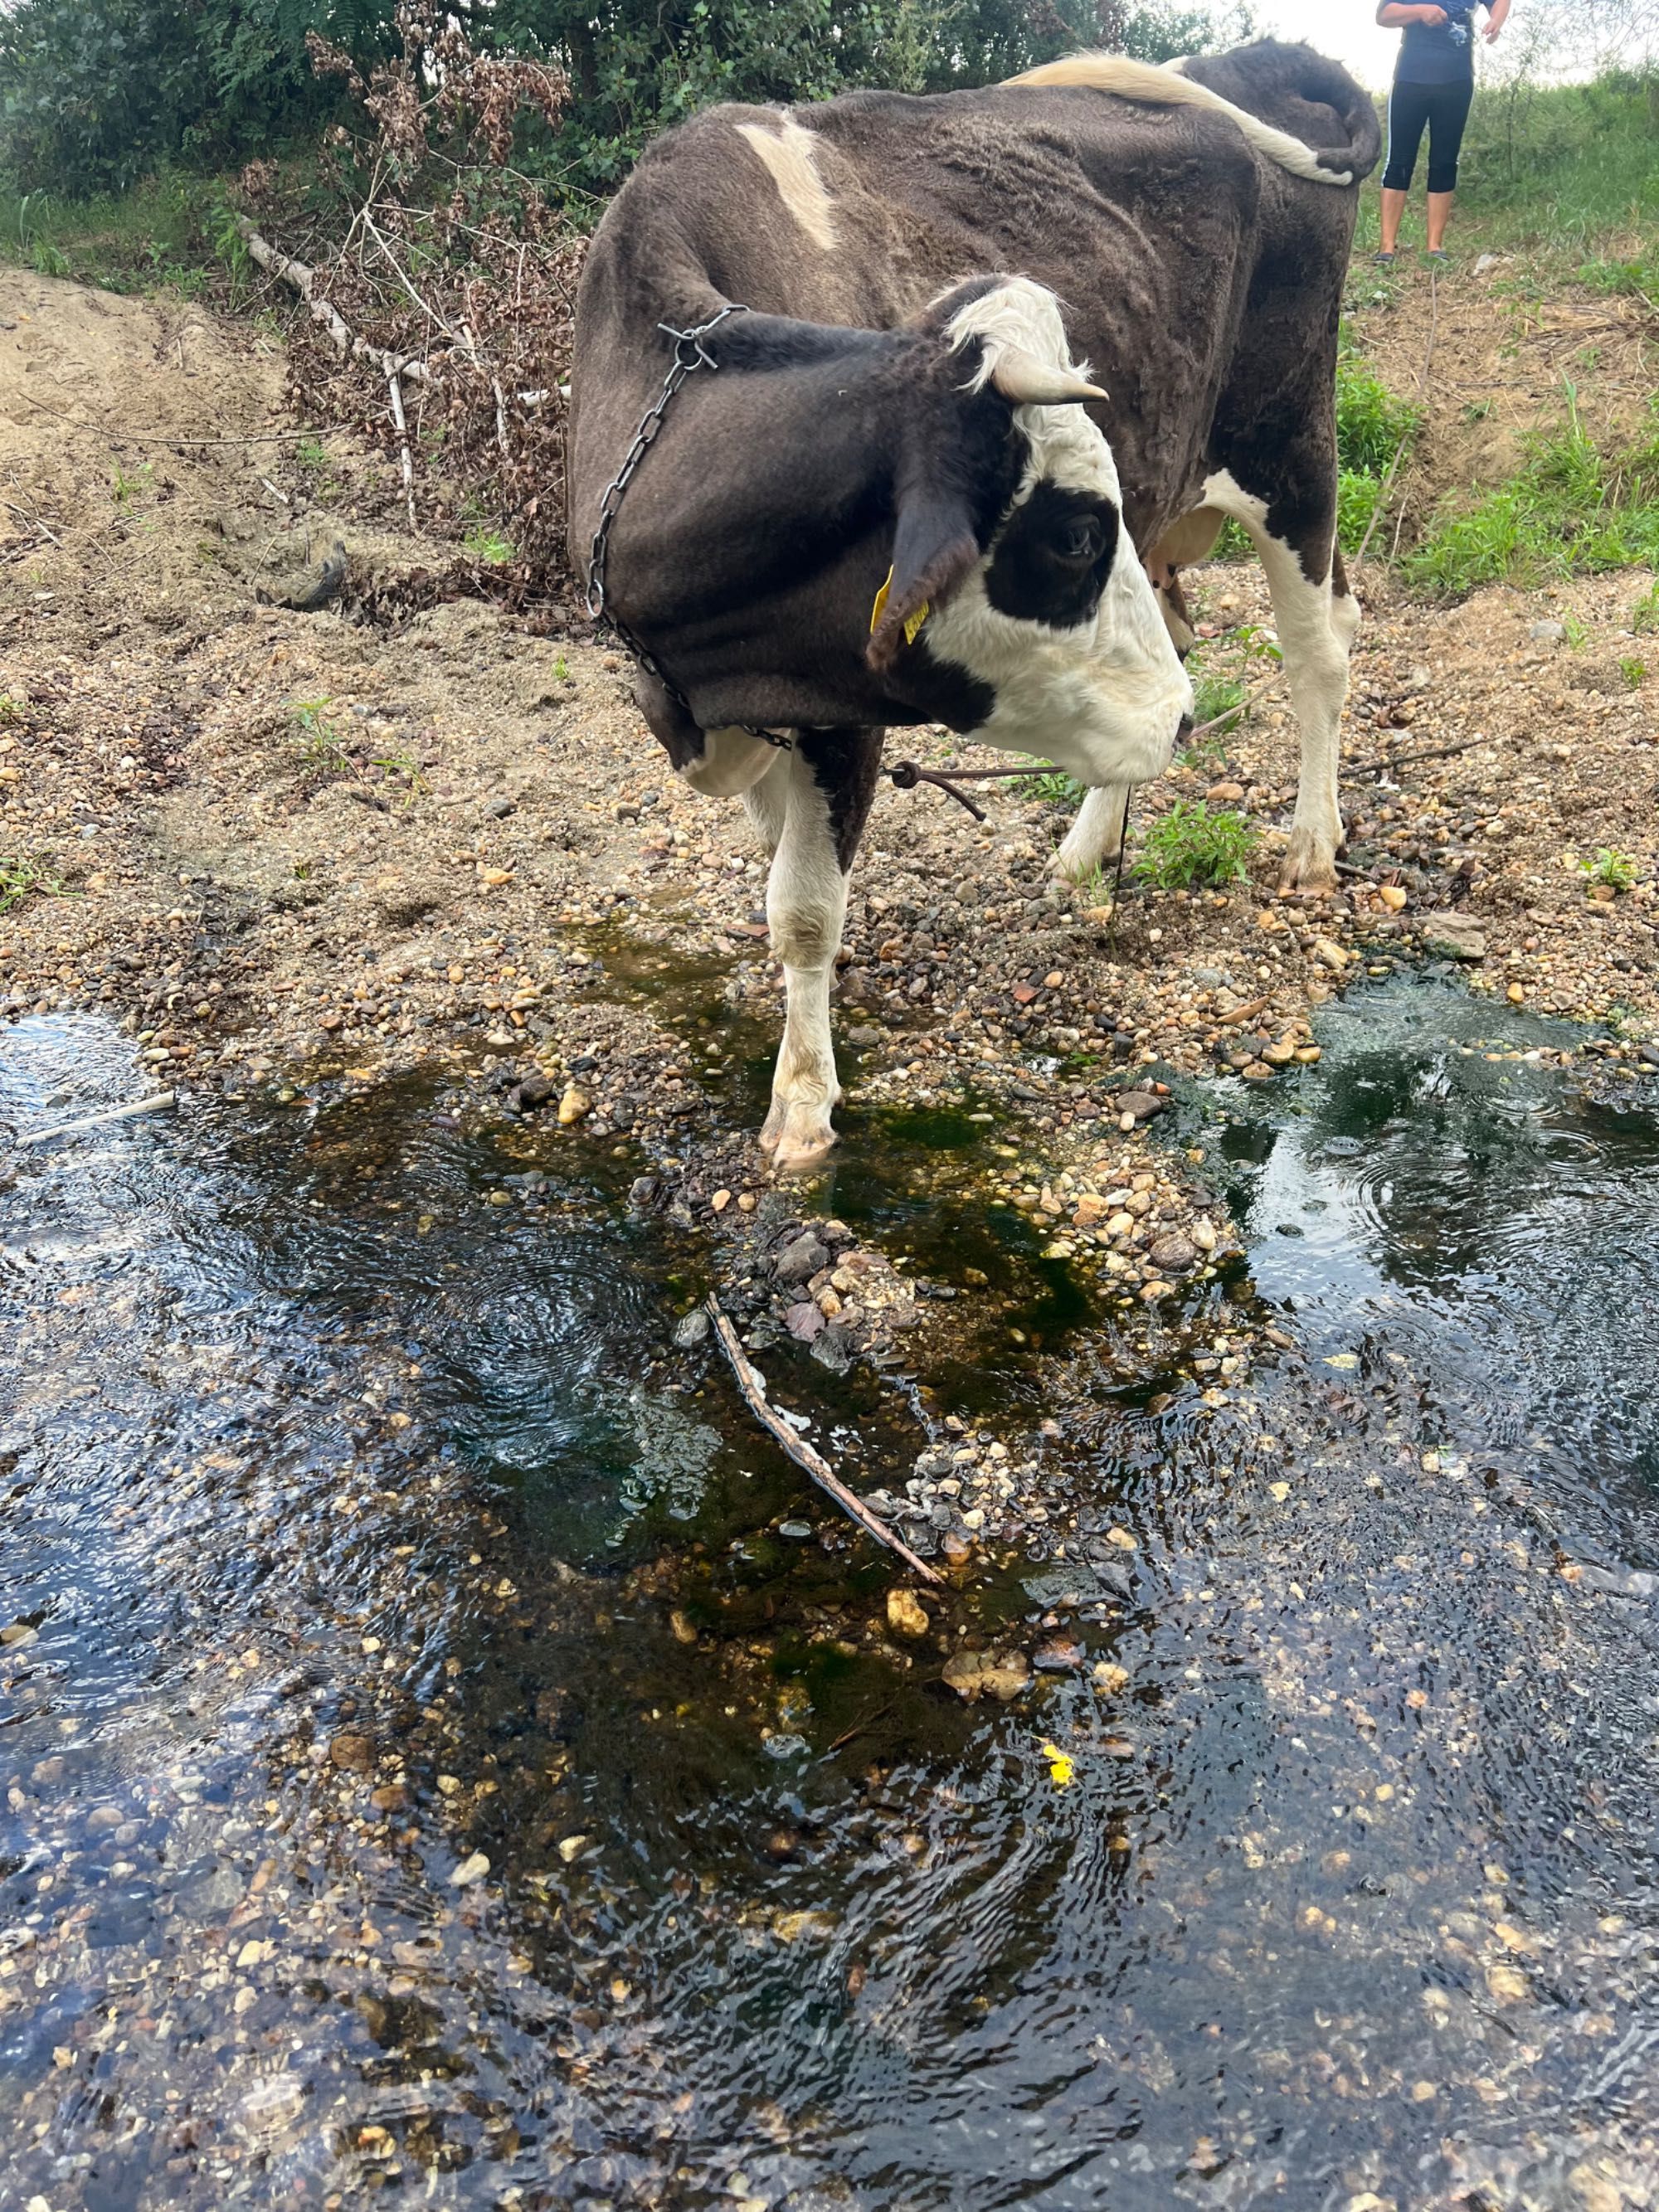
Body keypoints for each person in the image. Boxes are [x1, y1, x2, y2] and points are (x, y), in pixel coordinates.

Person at [1374, 0, 1510, 265]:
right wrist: (1420, 11)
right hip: (1410, 78)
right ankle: (1387, 247)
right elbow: (1383, 15)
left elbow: (1501, 1)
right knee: (1399, 160)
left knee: (1445, 161)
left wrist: (1496, 21)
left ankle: (1434, 246)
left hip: (1457, 81)